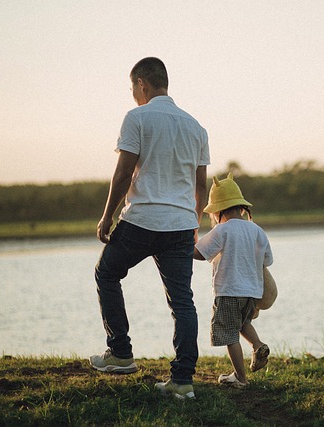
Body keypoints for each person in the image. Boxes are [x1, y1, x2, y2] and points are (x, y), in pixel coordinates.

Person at [89, 57, 209, 400]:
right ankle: (183, 381)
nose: (132, 96)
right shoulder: (196, 126)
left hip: (142, 219)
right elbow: (200, 186)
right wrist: (193, 221)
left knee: (107, 272)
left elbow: (123, 173)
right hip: (181, 225)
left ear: (142, 84)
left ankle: (121, 353)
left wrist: (106, 216)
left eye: (132, 89)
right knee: (182, 302)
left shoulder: (137, 118)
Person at [194, 173, 272, 388]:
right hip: (252, 292)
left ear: (218, 210)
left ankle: (240, 377)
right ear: (240, 206)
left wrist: (182, 247)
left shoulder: (222, 229)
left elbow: (201, 253)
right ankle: (258, 345)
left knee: (229, 335)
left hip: (228, 291)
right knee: (242, 323)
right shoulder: (256, 230)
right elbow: (267, 260)